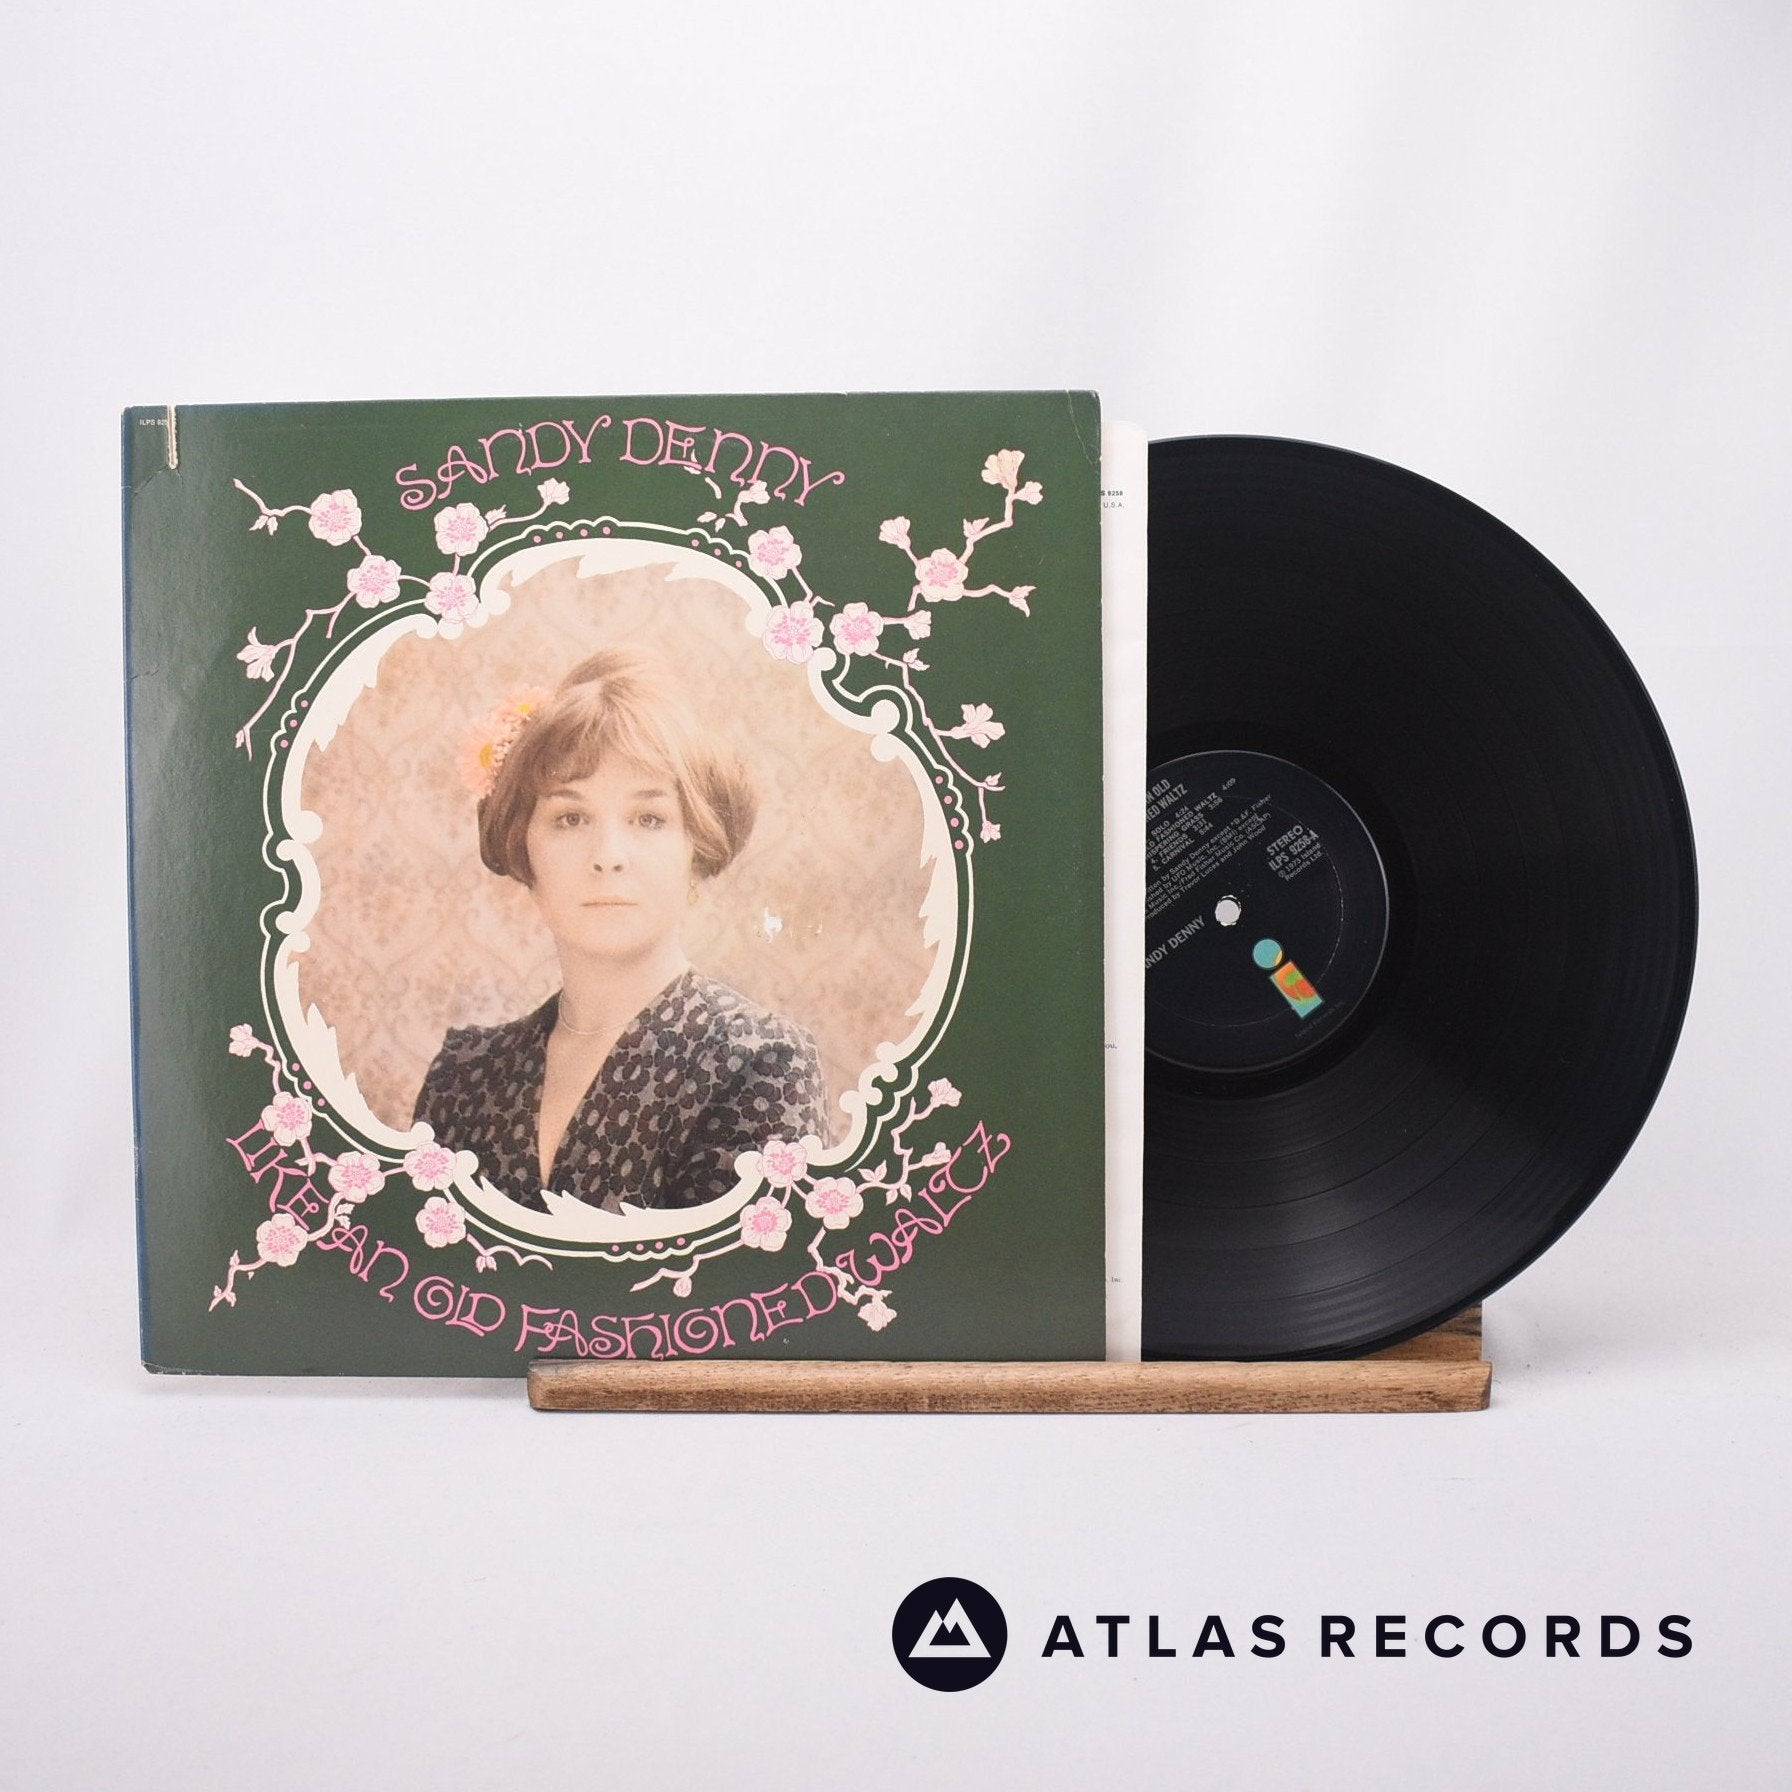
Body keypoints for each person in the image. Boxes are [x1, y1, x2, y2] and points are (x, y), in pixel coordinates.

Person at [413, 648, 826, 1213]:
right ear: (524, 848)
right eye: (571, 818)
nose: (608, 855)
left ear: (696, 848)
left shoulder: (758, 1063)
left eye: (648, 819)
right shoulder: (464, 1077)